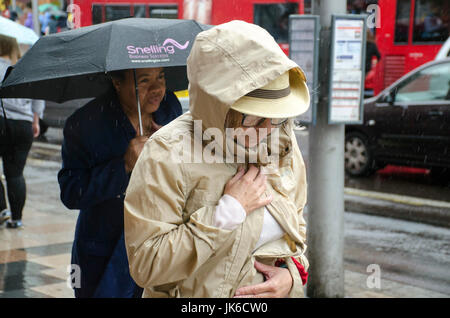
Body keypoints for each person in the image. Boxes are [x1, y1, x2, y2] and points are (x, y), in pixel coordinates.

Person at [124, 20, 310, 298]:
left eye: (277, 116)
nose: (267, 130)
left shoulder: (281, 140)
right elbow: (147, 264)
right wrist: (227, 212)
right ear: (219, 106)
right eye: (254, 118)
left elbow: (296, 227)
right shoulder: (167, 152)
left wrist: (293, 276)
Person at [58, 67, 182, 298]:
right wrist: (123, 165)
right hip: (103, 252)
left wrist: (174, 145)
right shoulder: (85, 124)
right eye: (145, 81)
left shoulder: (170, 107)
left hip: (161, 246)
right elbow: (72, 192)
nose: (157, 89)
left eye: (161, 77)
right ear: (117, 83)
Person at [0, 34, 44, 228]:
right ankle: (16, 219)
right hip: (24, 124)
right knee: (16, 173)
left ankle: (2, 209)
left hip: (2, 121)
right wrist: (35, 120)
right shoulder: (26, 68)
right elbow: (38, 97)